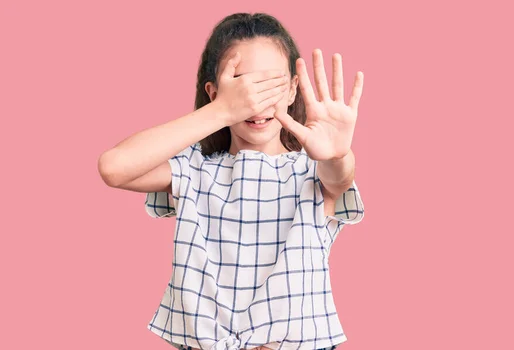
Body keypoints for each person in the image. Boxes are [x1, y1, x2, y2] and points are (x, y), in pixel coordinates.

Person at [98, 12, 365, 350]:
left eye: (270, 84)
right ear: (214, 93)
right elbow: (114, 167)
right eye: (242, 86)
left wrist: (337, 154)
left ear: (293, 90)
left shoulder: (310, 170)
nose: (255, 101)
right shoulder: (194, 167)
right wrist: (221, 112)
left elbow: (339, 178)